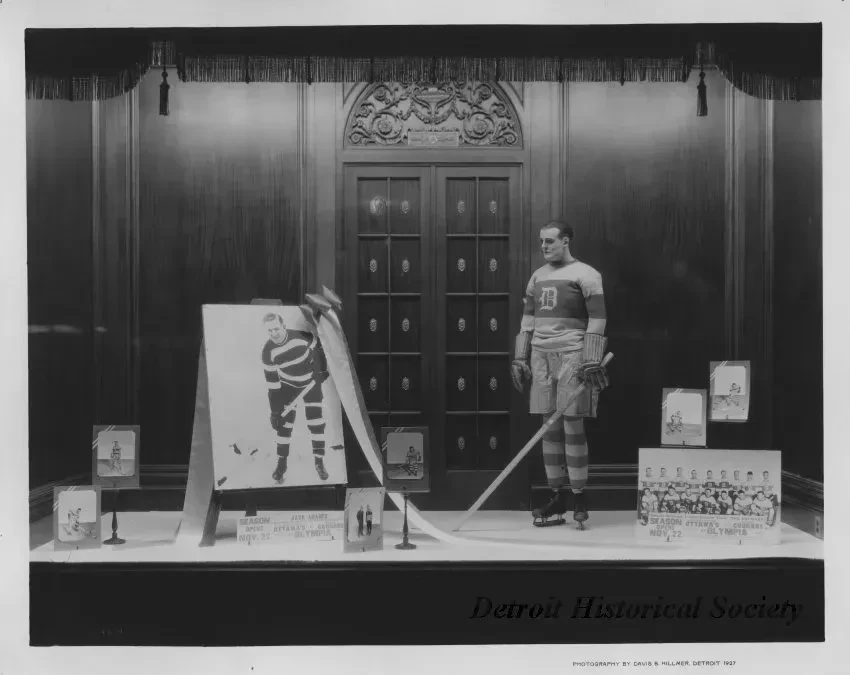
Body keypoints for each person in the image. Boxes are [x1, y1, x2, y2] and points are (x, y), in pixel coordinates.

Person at [511, 221, 609, 530]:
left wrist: (590, 359)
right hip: (541, 357)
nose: (544, 246)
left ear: (566, 241)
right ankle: (557, 496)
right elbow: (528, 318)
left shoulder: (587, 274)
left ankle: (579, 497)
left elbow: (598, 318)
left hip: (572, 356)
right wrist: (520, 356)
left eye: (550, 241)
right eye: (541, 241)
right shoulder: (537, 276)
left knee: (572, 425)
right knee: (548, 426)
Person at [262, 313, 330, 484]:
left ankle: (319, 461)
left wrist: (321, 369)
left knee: (316, 422)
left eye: (276, 328)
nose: (274, 333)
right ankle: (281, 463)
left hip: (311, 383)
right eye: (270, 331)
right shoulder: (267, 352)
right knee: (284, 426)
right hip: (288, 386)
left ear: (284, 326)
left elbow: (319, 346)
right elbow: (273, 386)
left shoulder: (301, 337)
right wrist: (275, 412)